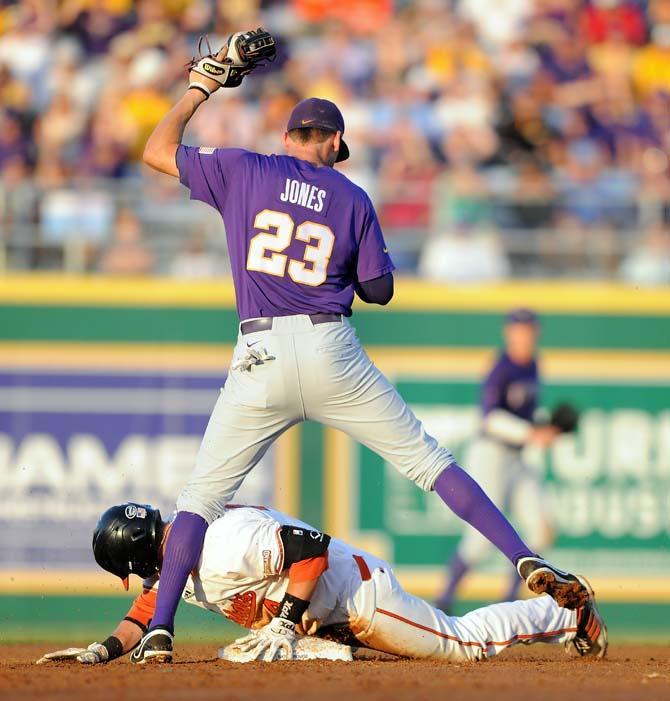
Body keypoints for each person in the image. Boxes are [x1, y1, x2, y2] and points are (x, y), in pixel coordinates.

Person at [135, 28, 590, 663]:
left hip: (260, 352)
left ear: (289, 136)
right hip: (329, 348)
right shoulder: (351, 197)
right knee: (430, 463)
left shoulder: (242, 168)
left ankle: (159, 629)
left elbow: (157, 150)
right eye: (337, 143)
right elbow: (379, 290)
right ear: (327, 141)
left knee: (199, 501)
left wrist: (202, 86)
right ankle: (524, 556)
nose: (339, 151)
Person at [36, 502, 607, 665]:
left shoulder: (224, 541)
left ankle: (565, 613)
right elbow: (145, 611)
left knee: (462, 645)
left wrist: (285, 619)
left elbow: (312, 548)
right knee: (256, 653)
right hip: (327, 614)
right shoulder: (175, 556)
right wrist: (104, 649)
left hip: (357, 594)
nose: (136, 581)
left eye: (129, 569)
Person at [436, 309, 561, 612]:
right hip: (490, 454)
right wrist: (532, 432)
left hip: (518, 457)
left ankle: (507, 603)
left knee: (541, 529)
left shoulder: (532, 365)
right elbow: (489, 418)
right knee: (479, 539)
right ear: (509, 333)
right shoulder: (502, 367)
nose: (525, 336)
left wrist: (543, 431)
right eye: (519, 330)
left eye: (530, 330)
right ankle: (444, 601)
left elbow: (525, 416)